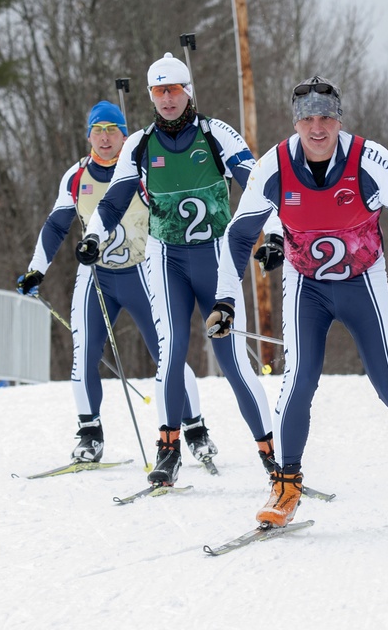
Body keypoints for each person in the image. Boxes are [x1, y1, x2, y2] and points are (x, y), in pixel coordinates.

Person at [205, 76, 388, 529]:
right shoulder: (274, 166)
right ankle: (286, 484)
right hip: (306, 286)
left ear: (339, 120)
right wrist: (224, 300)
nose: (317, 128)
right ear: (295, 122)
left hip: (362, 282)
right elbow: (238, 235)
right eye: (308, 119)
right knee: (298, 382)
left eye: (326, 118)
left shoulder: (371, 159)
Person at [75, 54, 279, 486]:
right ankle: (168, 452)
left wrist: (275, 235)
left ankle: (272, 456)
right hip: (167, 259)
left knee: (232, 361)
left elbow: (260, 183)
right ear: (151, 96)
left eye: (173, 90)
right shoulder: (139, 144)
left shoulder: (216, 133)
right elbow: (112, 202)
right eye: (159, 92)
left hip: (217, 259)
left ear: (188, 91)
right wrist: (93, 237)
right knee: (170, 354)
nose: (167, 99)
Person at [17, 101, 212, 465]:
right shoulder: (77, 176)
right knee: (84, 353)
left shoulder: (142, 169)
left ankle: (195, 430)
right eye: (98, 131)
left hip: (143, 273)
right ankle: (89, 434)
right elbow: (56, 225)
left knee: (167, 355)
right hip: (97, 278)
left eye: (112, 131)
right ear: (89, 135)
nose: (105, 139)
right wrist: (36, 270)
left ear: (124, 135)